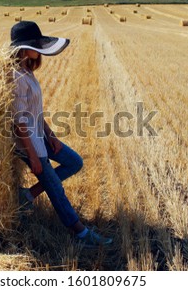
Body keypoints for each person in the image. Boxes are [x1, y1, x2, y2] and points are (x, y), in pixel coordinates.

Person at [10, 21, 112, 248]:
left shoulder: (26, 71)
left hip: (40, 137)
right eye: (34, 45)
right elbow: (19, 121)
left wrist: (51, 136)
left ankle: (26, 197)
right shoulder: (16, 77)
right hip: (28, 142)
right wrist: (34, 156)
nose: (37, 50)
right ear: (21, 47)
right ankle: (81, 233)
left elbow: (35, 113)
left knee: (73, 162)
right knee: (56, 189)